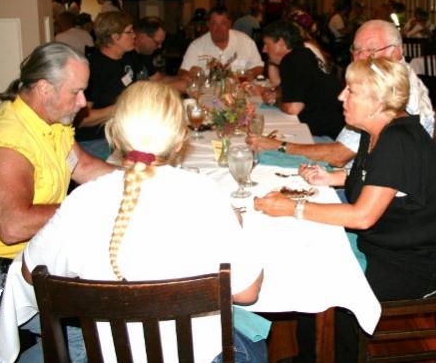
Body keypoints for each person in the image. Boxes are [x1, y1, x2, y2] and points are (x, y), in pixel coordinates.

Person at [21, 81, 266, 362]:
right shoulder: (205, 195)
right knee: (254, 338)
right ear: (180, 140)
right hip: (201, 357)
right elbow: (247, 292)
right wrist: (239, 228)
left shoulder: (81, 200)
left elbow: (31, 273)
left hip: (109, 356)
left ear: (113, 136)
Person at [254, 58, 436, 361]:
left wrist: (293, 207)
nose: (340, 97)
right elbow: (374, 177)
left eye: (350, 91)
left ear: (377, 102)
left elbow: (362, 216)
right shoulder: (376, 132)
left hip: (414, 264)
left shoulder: (398, 142)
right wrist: (332, 177)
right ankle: (314, 354)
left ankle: (328, 356)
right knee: (306, 255)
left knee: (319, 277)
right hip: (388, 244)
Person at [0, 43, 113, 326]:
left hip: (23, 262)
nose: (83, 102)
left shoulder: (49, 122)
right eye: (76, 92)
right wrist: (90, 205)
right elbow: (13, 226)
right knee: (91, 328)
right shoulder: (8, 143)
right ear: (45, 88)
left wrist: (142, 179)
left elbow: (84, 167)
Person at [248, 20, 434, 168]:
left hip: (368, 191)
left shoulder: (396, 92)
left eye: (371, 50)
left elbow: (339, 156)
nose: (361, 58)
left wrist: (278, 146)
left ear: (397, 51)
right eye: (357, 50)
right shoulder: (382, 80)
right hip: (351, 173)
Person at [76, 11, 144, 159]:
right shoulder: (93, 69)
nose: (134, 35)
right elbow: (81, 119)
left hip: (124, 132)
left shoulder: (128, 57)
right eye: (129, 32)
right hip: (96, 140)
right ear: (114, 37)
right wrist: (121, 108)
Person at [260, 21, 344, 139]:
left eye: (266, 44)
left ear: (281, 43)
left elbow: (293, 108)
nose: (264, 50)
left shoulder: (292, 60)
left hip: (327, 136)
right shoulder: (302, 54)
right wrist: (276, 93)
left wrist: (277, 100)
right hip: (333, 128)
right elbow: (293, 86)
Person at [179, 6, 264, 79]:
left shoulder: (246, 42)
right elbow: (183, 72)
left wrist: (250, 74)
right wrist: (190, 74)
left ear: (230, 24)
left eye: (223, 23)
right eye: (214, 24)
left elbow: (259, 66)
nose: (219, 28)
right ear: (208, 25)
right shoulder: (196, 46)